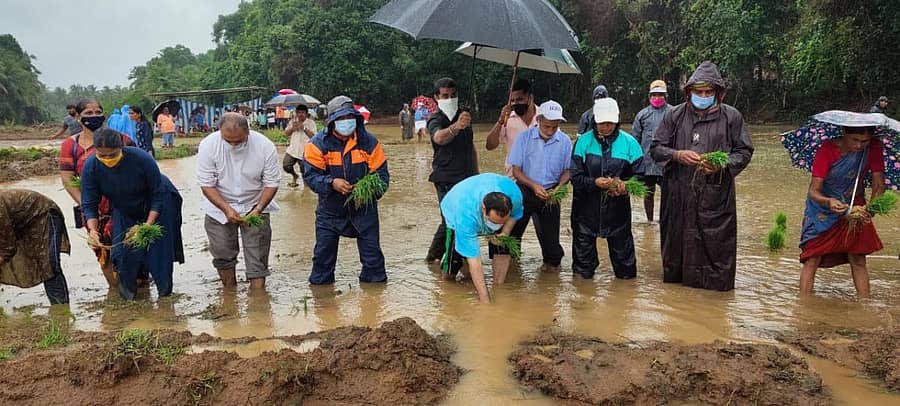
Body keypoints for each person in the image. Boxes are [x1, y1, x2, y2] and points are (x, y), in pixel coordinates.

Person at [649, 61, 754, 291]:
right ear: (689, 92)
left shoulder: (731, 118)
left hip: (716, 197)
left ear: (718, 93)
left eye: (709, 92)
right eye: (699, 91)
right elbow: (656, 148)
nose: (703, 96)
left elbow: (744, 151)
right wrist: (677, 155)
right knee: (676, 251)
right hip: (678, 195)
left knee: (716, 252)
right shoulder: (674, 116)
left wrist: (722, 164)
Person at [81, 128, 184, 300]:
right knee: (122, 255)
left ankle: (165, 301)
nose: (107, 160)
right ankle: (128, 301)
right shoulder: (91, 166)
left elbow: (158, 194)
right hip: (124, 208)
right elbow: (89, 203)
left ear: (122, 147)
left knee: (158, 253)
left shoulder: (141, 159)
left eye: (112, 155)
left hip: (158, 203)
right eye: (102, 155)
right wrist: (93, 230)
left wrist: (147, 226)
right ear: (96, 151)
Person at [304, 95, 390, 285]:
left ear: (356, 118)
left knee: (374, 264)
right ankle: (323, 303)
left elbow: (382, 177)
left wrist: (367, 191)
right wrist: (331, 183)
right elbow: (311, 177)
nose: (346, 122)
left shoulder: (369, 142)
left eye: (349, 117)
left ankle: (374, 303)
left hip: (364, 210)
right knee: (322, 264)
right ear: (331, 121)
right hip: (330, 212)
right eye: (340, 119)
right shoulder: (317, 145)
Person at [799, 126, 885, 298]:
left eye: (864, 141)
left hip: (856, 205)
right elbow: (814, 191)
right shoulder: (828, 149)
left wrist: (870, 210)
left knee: (858, 258)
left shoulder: (874, 147)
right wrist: (828, 201)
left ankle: (865, 304)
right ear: (844, 134)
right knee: (812, 257)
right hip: (823, 207)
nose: (860, 145)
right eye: (855, 140)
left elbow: (878, 185)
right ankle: (803, 304)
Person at [197, 112, 280, 290]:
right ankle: (230, 293)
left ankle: (258, 301)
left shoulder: (265, 146)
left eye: (239, 141)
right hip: (219, 207)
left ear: (248, 132)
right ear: (220, 132)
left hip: (255, 203)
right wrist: (226, 209)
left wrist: (258, 209)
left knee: (257, 255)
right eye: (229, 141)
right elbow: (206, 184)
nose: (234, 145)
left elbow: (272, 183)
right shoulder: (208, 146)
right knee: (222, 253)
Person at [59, 99, 134, 287]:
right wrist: (86, 205)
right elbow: (67, 178)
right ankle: (115, 290)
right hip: (92, 209)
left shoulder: (121, 139)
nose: (94, 117)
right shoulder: (71, 145)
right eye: (88, 114)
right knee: (102, 250)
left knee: (130, 245)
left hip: (123, 205)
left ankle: (137, 286)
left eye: (97, 112)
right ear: (77, 117)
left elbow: (138, 169)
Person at [570, 98, 643, 279]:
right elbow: (575, 177)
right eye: (601, 123)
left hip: (618, 214)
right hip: (585, 212)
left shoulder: (630, 143)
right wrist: (594, 183)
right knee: (582, 271)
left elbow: (641, 176)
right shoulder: (583, 143)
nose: (605, 127)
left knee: (625, 269)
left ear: (617, 121)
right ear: (595, 120)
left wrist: (625, 186)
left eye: (609, 123)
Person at [506, 100, 572, 273]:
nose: (550, 131)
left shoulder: (564, 141)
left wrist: (560, 186)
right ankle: (512, 270)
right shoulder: (524, 138)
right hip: (525, 190)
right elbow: (516, 170)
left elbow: (567, 170)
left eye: (554, 127)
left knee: (552, 246)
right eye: (547, 126)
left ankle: (550, 271)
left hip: (551, 193)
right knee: (512, 235)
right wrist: (533, 185)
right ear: (539, 120)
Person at [439, 173, 524, 304]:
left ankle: (498, 286)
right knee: (451, 269)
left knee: (502, 246)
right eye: (494, 222)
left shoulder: (515, 195)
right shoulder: (464, 215)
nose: (496, 226)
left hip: (489, 187)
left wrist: (505, 231)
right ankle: (448, 273)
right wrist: (485, 300)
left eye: (501, 222)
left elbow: (517, 214)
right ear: (484, 209)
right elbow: (476, 261)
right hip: (455, 206)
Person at [425, 77, 479, 263]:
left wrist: (476, 174)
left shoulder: (464, 115)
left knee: (464, 219)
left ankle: (457, 256)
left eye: (453, 95)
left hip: (466, 176)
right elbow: (439, 138)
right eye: (445, 95)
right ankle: (436, 257)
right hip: (445, 178)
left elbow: (470, 146)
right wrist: (456, 127)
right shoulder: (435, 119)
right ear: (436, 98)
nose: (450, 98)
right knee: (449, 220)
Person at [0, 189, 70, 305]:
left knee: (49, 264)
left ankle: (60, 309)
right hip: (22, 223)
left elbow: (7, 248)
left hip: (43, 214)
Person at [632, 80, 673, 223]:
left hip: (667, 162)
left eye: (660, 94)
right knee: (648, 193)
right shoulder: (642, 115)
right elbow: (635, 141)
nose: (657, 97)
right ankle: (649, 221)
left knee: (668, 193)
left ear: (665, 96)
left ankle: (665, 220)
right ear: (650, 96)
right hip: (647, 162)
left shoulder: (673, 113)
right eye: (654, 94)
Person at [486, 78, 538, 176]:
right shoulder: (507, 119)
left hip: (540, 179)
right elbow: (490, 145)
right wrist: (500, 121)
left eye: (519, 99)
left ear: (530, 98)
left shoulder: (544, 117)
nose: (515, 103)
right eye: (512, 100)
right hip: (514, 179)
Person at [283, 104, 317, 187]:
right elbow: (285, 134)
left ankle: (306, 188)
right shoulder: (293, 121)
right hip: (292, 150)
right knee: (286, 165)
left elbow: (315, 137)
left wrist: (304, 128)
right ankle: (294, 175)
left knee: (304, 171)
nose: (300, 114)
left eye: (302, 112)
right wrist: (292, 128)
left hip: (305, 151)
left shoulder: (311, 123)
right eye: (298, 112)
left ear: (306, 113)